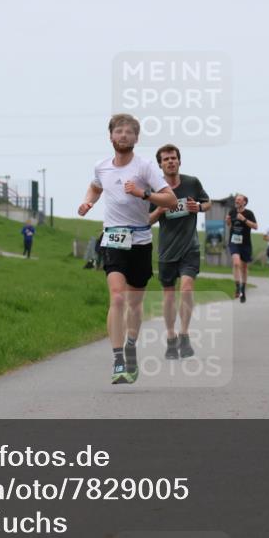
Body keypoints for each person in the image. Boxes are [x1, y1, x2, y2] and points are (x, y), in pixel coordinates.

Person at [78, 114, 176, 385]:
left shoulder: (145, 167)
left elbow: (170, 199)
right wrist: (88, 202)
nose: (123, 135)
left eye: (128, 132)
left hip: (141, 241)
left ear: (136, 138)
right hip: (113, 238)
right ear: (110, 136)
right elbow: (95, 187)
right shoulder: (101, 167)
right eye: (118, 131)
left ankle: (131, 344)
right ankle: (118, 357)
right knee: (117, 298)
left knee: (134, 304)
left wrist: (143, 194)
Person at [148, 144, 210, 359]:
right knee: (168, 296)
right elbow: (146, 220)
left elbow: (207, 202)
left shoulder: (192, 182)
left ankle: (184, 333)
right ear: (160, 165)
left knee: (186, 288)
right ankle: (171, 337)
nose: (170, 161)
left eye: (173, 158)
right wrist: (160, 208)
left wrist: (199, 208)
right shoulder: (155, 188)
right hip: (166, 250)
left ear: (179, 161)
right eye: (166, 159)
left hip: (189, 247)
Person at [226, 194, 257, 303]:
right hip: (234, 241)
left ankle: (243, 289)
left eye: (239, 200)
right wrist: (228, 221)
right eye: (236, 200)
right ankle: (238, 287)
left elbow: (255, 226)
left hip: (245, 244)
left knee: (244, 268)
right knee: (236, 263)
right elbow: (229, 225)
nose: (237, 201)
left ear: (244, 202)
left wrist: (244, 219)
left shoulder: (249, 213)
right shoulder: (232, 211)